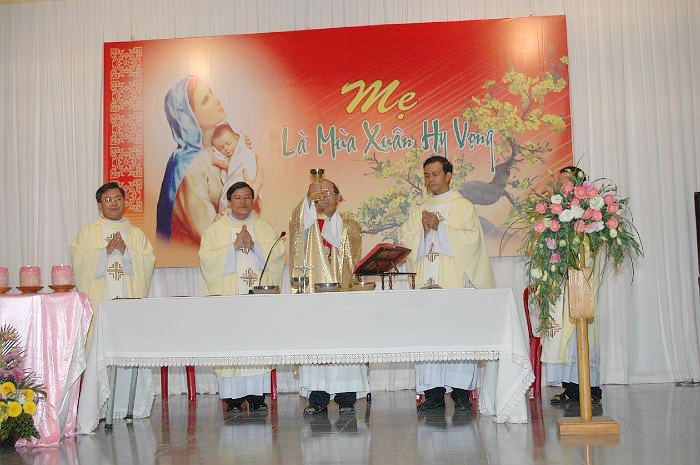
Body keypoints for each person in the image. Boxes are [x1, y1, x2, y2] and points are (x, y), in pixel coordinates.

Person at [399, 155, 496, 412]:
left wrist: (440, 228)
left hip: (453, 282)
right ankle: (433, 393)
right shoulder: (419, 208)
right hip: (426, 282)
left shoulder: (462, 206)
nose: (430, 179)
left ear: (448, 176)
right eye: (427, 175)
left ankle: (461, 392)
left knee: (457, 333)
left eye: (435, 174)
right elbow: (406, 242)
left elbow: (472, 241)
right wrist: (423, 231)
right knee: (428, 334)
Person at [71, 182, 156, 418]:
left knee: (129, 347)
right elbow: (79, 261)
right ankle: (99, 407)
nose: (114, 203)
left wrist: (127, 253)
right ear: (99, 204)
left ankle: (131, 405)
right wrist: (104, 252)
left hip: (128, 305)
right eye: (108, 200)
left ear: (124, 202)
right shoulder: (89, 233)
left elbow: (147, 262)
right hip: (102, 304)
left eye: (118, 198)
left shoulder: (136, 234)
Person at [199, 181, 284, 412]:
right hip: (230, 300)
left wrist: (255, 247)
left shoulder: (264, 228)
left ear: (253, 200)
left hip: (257, 302)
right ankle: (233, 398)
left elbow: (277, 256)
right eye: (238, 197)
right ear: (229, 201)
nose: (243, 201)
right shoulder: (215, 230)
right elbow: (207, 260)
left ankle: (257, 397)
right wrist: (232, 248)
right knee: (232, 342)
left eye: (247, 197)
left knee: (257, 342)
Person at [288, 179, 368, 415]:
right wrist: (307, 201)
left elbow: (349, 251)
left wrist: (331, 215)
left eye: (327, 192)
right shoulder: (306, 225)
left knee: (344, 343)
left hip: (342, 295)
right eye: (317, 192)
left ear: (338, 197)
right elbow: (295, 230)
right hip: (314, 296)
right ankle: (317, 397)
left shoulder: (349, 226)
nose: (322, 196)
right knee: (316, 342)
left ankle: (346, 397)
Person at [156, 76, 261, 245]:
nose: (216, 100)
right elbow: (210, 237)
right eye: (206, 100)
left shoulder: (221, 147)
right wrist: (250, 196)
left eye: (211, 93)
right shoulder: (189, 167)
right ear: (190, 118)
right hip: (196, 256)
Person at [544, 166, 603, 404]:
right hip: (563, 281)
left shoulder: (588, 213)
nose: (560, 187)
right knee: (564, 334)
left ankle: (590, 389)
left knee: (581, 331)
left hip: (581, 280)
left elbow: (590, 249)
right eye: (559, 183)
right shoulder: (557, 213)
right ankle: (570, 388)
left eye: (565, 182)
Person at [211, 123, 264, 214]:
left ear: (236, 137)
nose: (226, 149)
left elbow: (232, 166)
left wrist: (218, 163)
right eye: (220, 148)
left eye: (228, 144)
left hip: (245, 178)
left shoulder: (242, 150)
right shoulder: (228, 156)